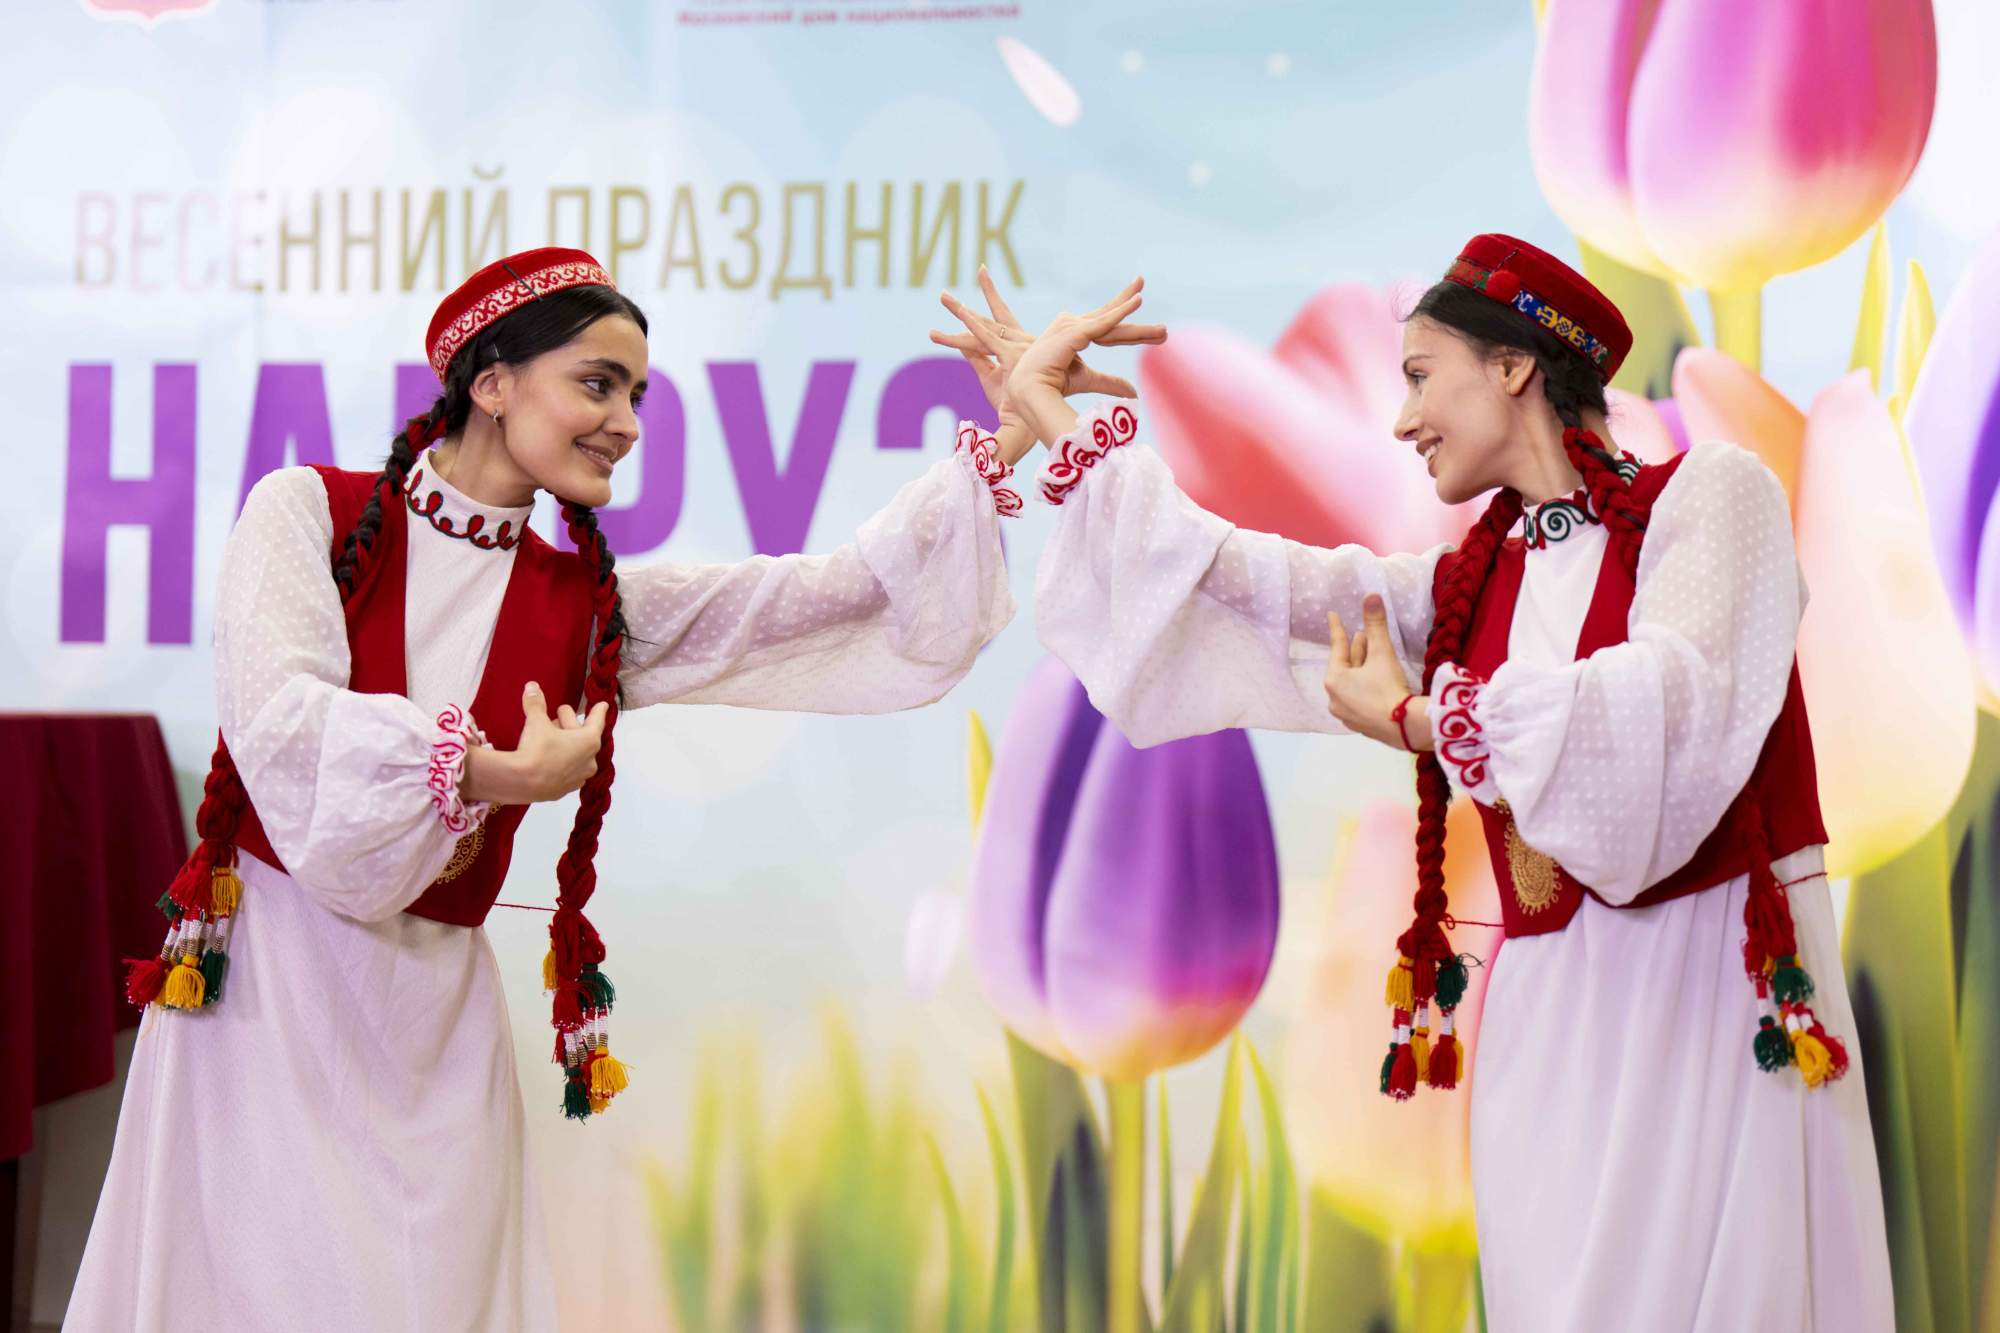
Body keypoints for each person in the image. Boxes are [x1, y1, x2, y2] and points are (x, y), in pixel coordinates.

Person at [66, 245, 1079, 1331]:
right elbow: (283, 719)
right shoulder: (306, 512)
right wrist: (484, 770)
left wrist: (1013, 430)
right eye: (598, 383)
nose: (627, 423)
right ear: (493, 382)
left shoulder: (588, 608)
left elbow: (825, 599)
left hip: (428, 1019)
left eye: (636, 396)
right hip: (272, 986)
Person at [936, 238, 1894, 1330]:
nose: (1402, 420)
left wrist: (1425, 719)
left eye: (1420, 376)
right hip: (1553, 1036)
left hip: (1707, 995)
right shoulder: (1464, 590)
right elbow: (1249, 584)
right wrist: (1055, 420)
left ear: (1513, 367)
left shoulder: (1710, 498)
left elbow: (1668, 715)